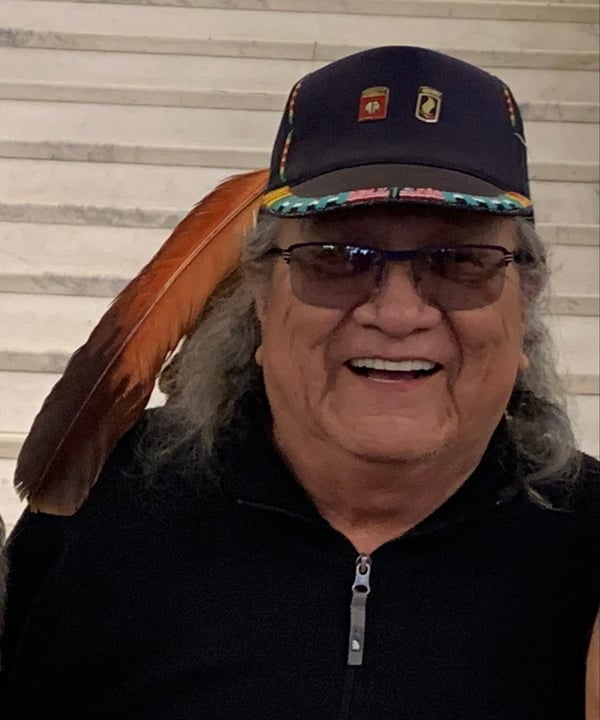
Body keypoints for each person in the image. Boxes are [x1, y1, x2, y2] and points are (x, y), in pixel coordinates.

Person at [0, 45, 598, 719]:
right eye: (337, 257)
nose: (398, 313)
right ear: (261, 295)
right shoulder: (105, 506)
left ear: (526, 299)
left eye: (461, 259)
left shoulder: (590, 548)